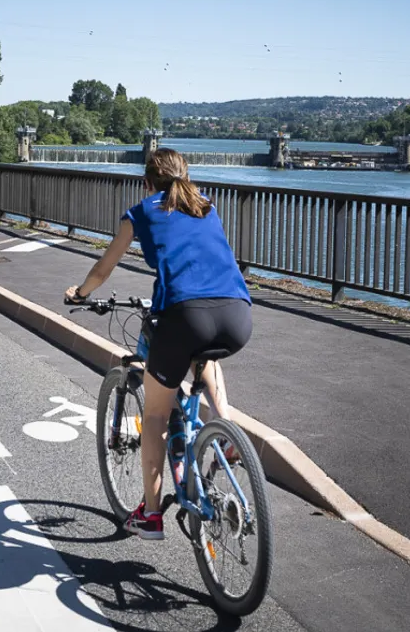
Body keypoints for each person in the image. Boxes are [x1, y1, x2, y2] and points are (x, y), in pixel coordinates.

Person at [65, 148, 252, 540]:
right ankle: (225, 430)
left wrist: (80, 294)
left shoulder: (143, 211)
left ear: (147, 182)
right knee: (205, 357)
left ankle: (151, 514)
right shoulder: (206, 207)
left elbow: (104, 267)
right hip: (237, 316)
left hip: (186, 316)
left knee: (154, 417)